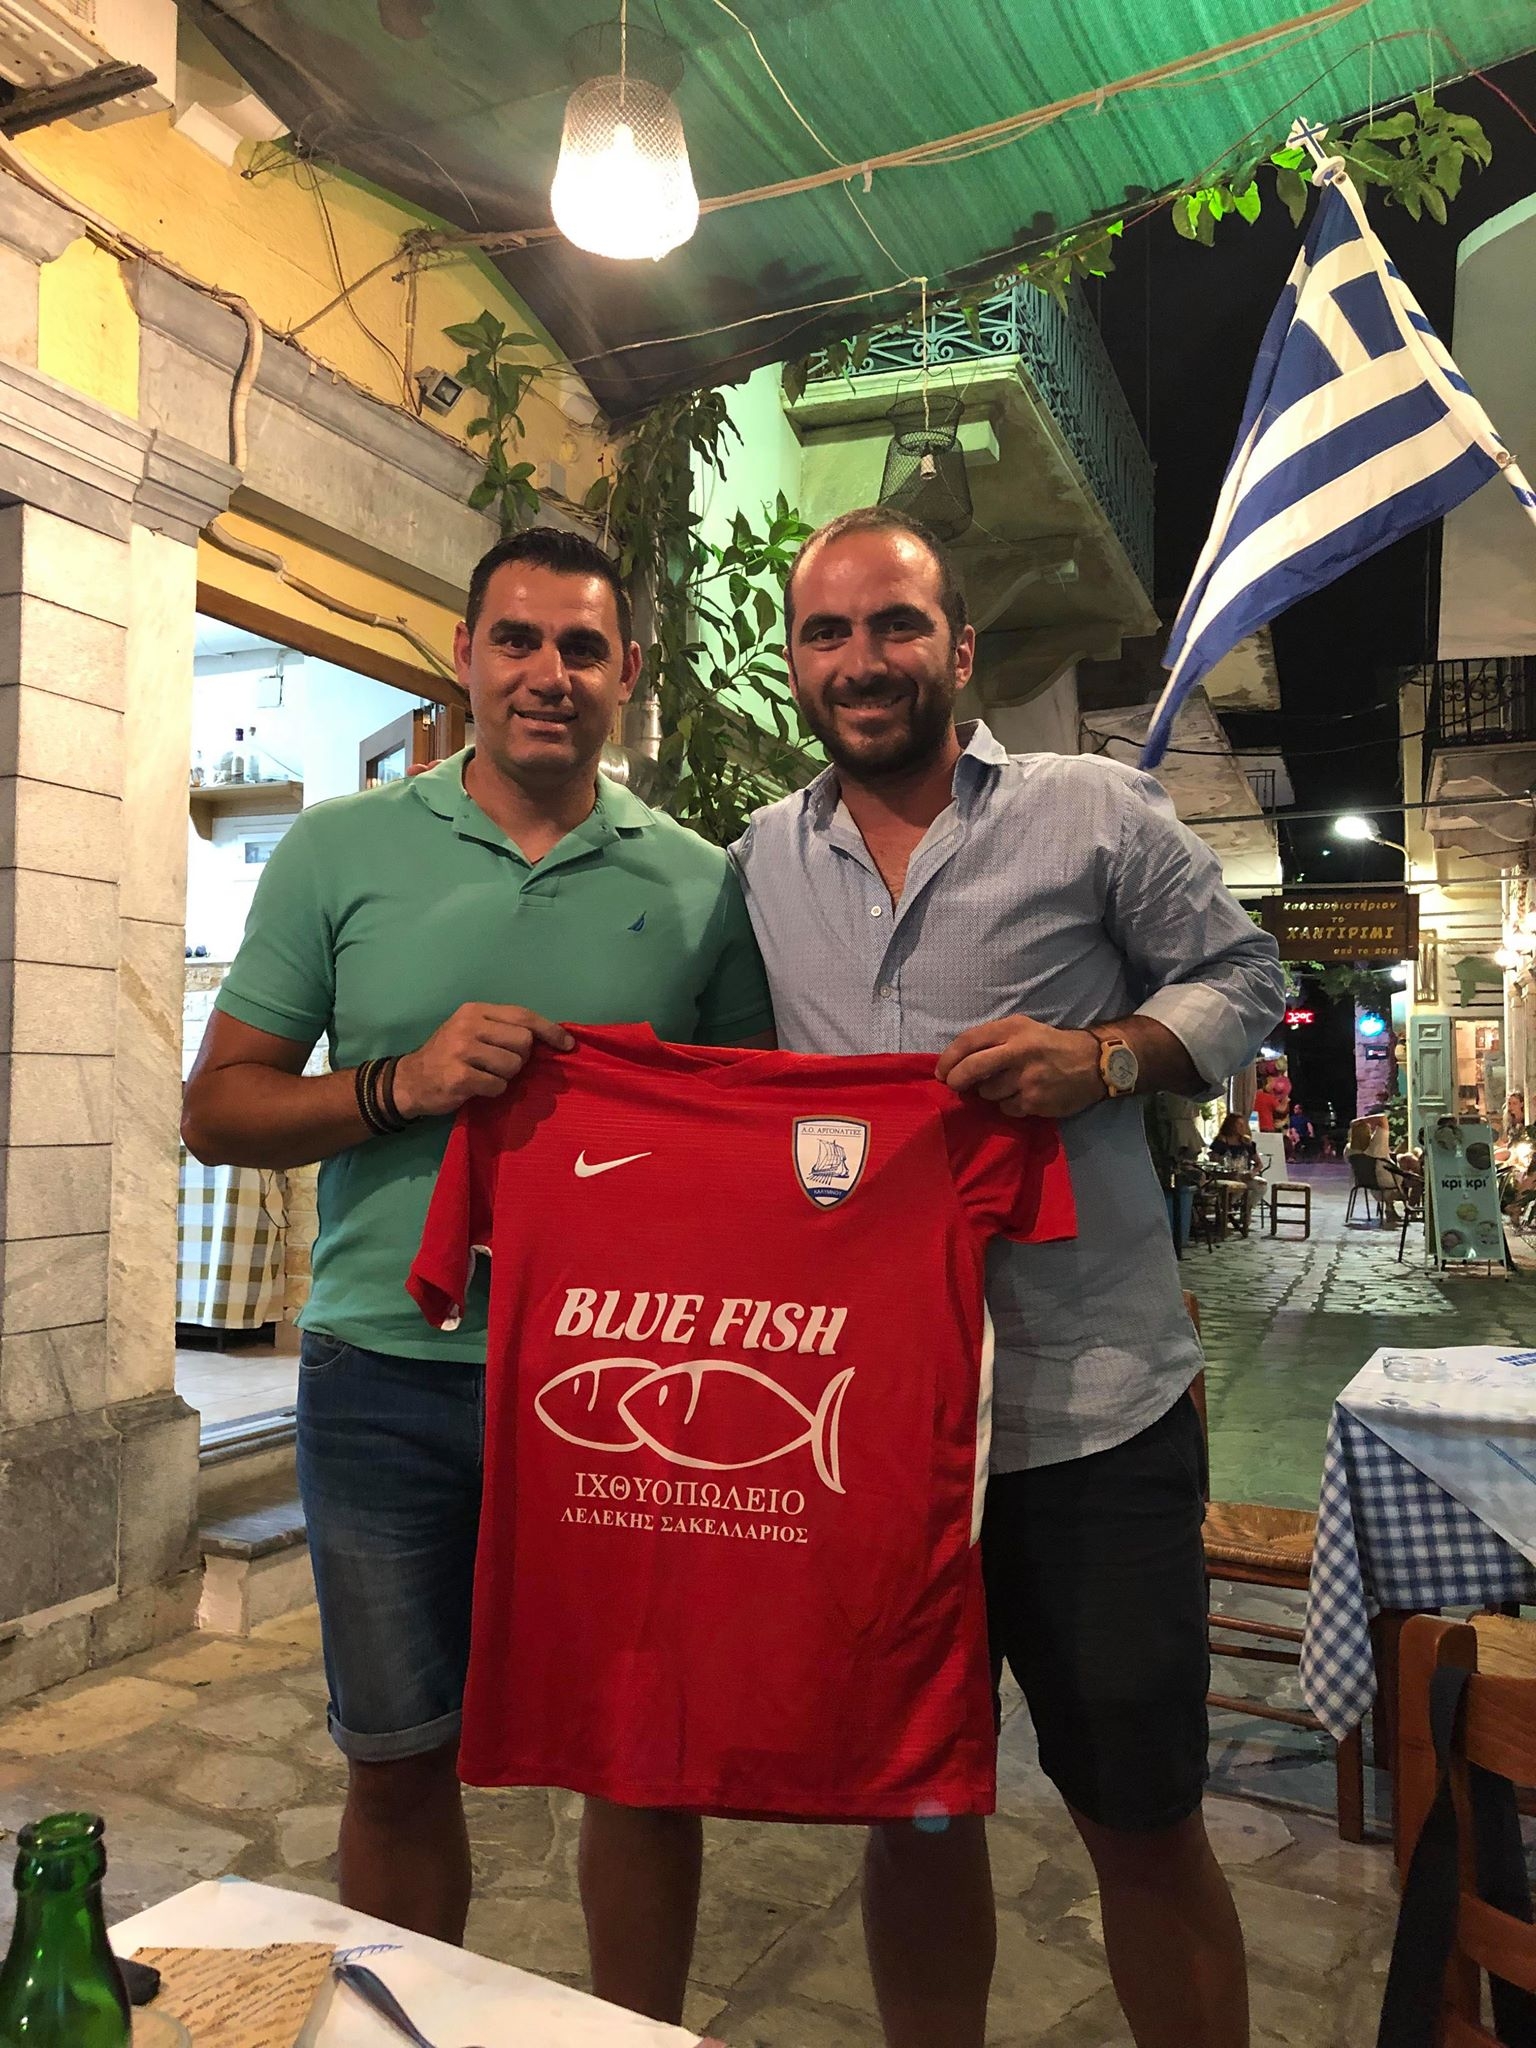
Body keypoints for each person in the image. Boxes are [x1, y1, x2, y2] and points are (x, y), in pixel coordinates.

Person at [180, 527, 774, 2021]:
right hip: (385, 1383)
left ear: (628, 674)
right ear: (464, 656)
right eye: (516, 640)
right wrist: (404, 1085)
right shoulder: (337, 851)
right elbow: (219, 1109)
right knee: (395, 1761)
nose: (547, 674)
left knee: (639, 1773)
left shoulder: (703, 886)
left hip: (623, 1391)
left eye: (582, 647)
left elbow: (755, 1139)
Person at [733, 506, 1285, 2048]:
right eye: (828, 632)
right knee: (912, 1816)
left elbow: (1248, 974)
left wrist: (1106, 1059)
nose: (863, 659)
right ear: (797, 662)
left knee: (1143, 1820)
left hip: (1091, 1424)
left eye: (896, 624)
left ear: (960, 649)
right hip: (877, 1445)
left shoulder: (1090, 811)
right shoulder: (760, 861)